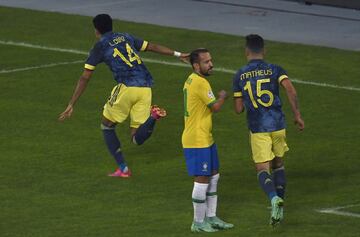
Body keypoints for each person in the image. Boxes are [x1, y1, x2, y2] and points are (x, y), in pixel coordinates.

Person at [59, 14, 189, 178]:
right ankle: (153, 117)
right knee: (136, 138)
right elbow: (152, 46)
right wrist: (178, 54)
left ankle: (123, 169)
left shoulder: (99, 46)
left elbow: (85, 76)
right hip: (146, 88)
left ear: (96, 30)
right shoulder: (125, 37)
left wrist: (72, 103)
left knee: (107, 126)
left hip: (127, 88)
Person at [233, 34, 305, 226]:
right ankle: (280, 210)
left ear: (246, 51)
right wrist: (297, 114)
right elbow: (291, 89)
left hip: (258, 127)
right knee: (279, 164)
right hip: (278, 124)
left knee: (262, 168)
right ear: (264, 51)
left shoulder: (240, 74)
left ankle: (273, 198)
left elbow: (239, 109)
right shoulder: (275, 69)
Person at [182, 48, 234, 233]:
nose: (211, 64)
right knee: (202, 179)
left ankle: (211, 217)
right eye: (206, 62)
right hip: (197, 139)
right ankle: (197, 222)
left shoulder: (192, 79)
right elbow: (216, 107)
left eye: (211, 60)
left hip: (205, 137)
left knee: (214, 175)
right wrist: (222, 97)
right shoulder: (200, 83)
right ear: (196, 65)